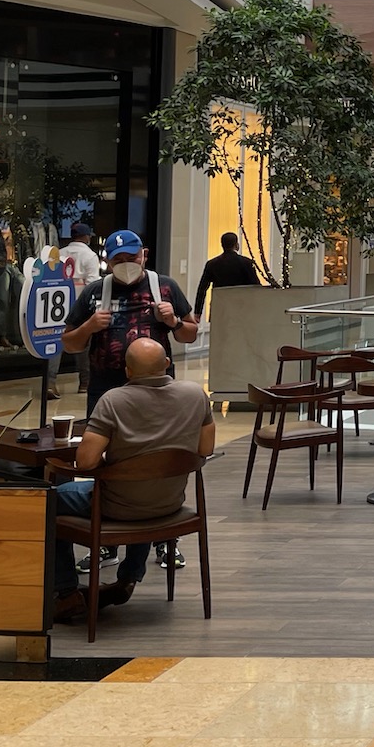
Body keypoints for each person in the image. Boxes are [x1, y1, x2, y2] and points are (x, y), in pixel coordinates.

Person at [50, 338, 214, 624]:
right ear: (167, 364)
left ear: (127, 371)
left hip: (117, 506)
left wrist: (111, 463)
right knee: (143, 487)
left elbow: (86, 462)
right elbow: (205, 449)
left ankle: (65, 593)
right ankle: (127, 579)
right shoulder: (196, 395)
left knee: (47, 500)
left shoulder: (114, 401)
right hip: (169, 502)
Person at [62, 229, 199, 413]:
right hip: (106, 388)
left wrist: (174, 322)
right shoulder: (94, 292)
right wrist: (89, 327)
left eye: (132, 258)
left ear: (144, 255)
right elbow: (69, 344)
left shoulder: (165, 287)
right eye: (118, 260)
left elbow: (190, 335)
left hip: (156, 388)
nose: (125, 265)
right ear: (107, 263)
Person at [193, 231, 263, 316]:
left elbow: (202, 289)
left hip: (219, 307)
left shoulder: (212, 264)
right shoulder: (247, 263)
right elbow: (256, 286)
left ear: (222, 245)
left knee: (219, 329)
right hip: (241, 306)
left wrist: (198, 312)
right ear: (237, 245)